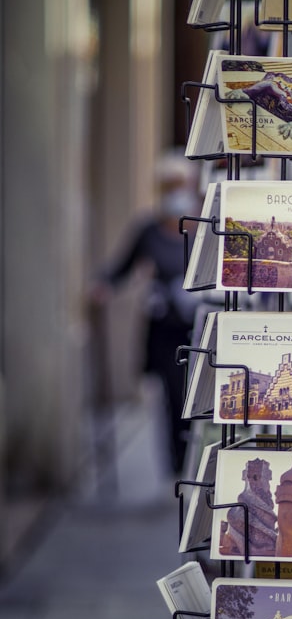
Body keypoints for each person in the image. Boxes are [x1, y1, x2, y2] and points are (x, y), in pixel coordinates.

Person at [90, 152, 200, 477]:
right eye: (168, 186)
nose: (175, 192)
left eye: (180, 185)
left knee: (202, 398)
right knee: (173, 398)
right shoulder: (149, 230)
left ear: (192, 186)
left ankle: (202, 460)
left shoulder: (206, 228)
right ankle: (178, 468)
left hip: (202, 325)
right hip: (166, 328)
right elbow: (121, 268)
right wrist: (103, 285)